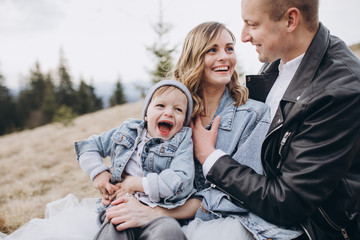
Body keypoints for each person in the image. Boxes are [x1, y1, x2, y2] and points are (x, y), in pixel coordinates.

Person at [103, 22, 302, 240]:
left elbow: (239, 194)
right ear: (194, 58)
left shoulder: (254, 114)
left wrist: (155, 213)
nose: (225, 57)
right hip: (151, 210)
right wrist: (110, 181)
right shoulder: (173, 112)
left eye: (229, 48)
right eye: (212, 50)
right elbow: (138, 153)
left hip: (215, 223)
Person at [191, 0, 360, 239]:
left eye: (252, 24)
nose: (244, 36)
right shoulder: (278, 63)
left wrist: (211, 159)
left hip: (309, 228)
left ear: (290, 20)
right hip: (252, 205)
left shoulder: (339, 91)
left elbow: (288, 202)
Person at [75, 80, 195, 240]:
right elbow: (88, 146)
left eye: (178, 109)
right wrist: (98, 173)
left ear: (184, 122)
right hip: (121, 206)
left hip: (160, 212)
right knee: (115, 228)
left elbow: (181, 181)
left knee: (169, 232)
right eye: (160, 106)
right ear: (146, 113)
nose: (168, 113)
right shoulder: (128, 131)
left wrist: (135, 184)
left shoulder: (181, 142)